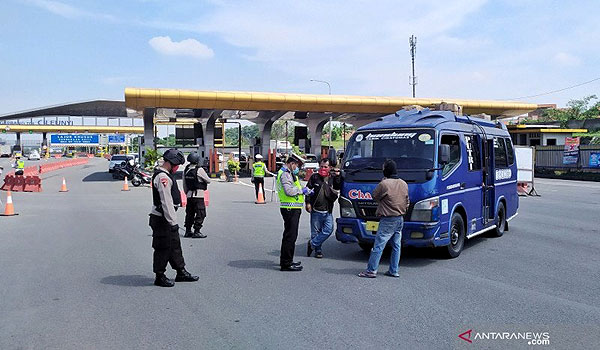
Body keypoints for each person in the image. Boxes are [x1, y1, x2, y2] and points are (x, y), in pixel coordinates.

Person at [149, 149, 199, 287]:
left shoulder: (166, 175)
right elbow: (166, 202)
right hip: (162, 219)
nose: (177, 168)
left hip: (166, 217)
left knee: (174, 246)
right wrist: (172, 222)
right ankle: (159, 276)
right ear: (171, 163)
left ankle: (181, 272)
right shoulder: (162, 177)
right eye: (177, 165)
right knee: (162, 247)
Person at [358, 159, 409, 278]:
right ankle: (394, 270)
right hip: (400, 218)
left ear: (386, 170)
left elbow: (374, 196)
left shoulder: (384, 184)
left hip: (388, 219)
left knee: (379, 245)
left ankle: (371, 270)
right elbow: (407, 200)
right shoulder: (403, 183)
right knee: (396, 245)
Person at [277, 153, 313, 271]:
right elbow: (289, 191)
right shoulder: (285, 174)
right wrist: (302, 191)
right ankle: (286, 263)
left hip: (292, 208)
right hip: (290, 209)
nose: (297, 168)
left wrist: (305, 191)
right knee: (290, 236)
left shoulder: (290, 174)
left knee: (290, 236)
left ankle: (288, 260)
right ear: (291, 163)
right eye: (296, 165)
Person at [305, 158, 341, 258]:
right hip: (315, 210)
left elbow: (338, 187)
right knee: (315, 232)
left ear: (330, 168)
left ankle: (312, 244)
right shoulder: (314, 177)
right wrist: (307, 203)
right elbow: (308, 190)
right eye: (321, 166)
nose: (323, 168)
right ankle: (318, 250)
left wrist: (338, 176)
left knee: (329, 230)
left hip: (327, 211)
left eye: (325, 167)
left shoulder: (332, 178)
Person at [183, 151, 210, 239]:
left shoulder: (186, 169)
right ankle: (197, 231)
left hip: (189, 195)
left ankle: (188, 231)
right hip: (198, 195)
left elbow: (184, 184)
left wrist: (187, 192)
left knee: (189, 213)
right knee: (201, 213)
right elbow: (208, 180)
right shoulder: (199, 169)